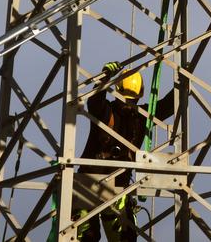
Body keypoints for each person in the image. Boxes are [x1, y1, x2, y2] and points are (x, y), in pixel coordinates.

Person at [74, 62, 175, 242]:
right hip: (89, 184)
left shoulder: (141, 116)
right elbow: (94, 101)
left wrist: (183, 83)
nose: (129, 104)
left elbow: (169, 105)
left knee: (124, 238)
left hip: (116, 188)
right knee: (87, 237)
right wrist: (105, 78)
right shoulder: (107, 112)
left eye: (132, 100)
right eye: (126, 99)